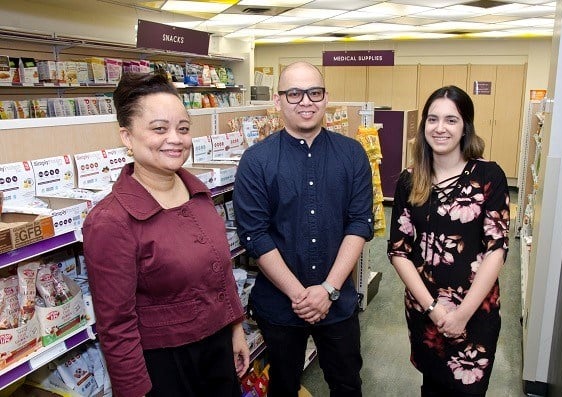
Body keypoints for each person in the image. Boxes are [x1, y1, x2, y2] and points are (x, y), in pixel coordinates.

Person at [82, 72, 249, 397]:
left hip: (217, 352)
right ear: (127, 137)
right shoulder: (110, 220)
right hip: (164, 367)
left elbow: (220, 270)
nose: (175, 138)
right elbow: (116, 325)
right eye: (159, 129)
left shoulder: (199, 195)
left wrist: (236, 328)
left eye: (183, 128)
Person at [233, 61, 374, 397]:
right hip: (281, 306)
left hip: (337, 301)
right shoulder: (256, 161)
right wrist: (301, 295)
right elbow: (255, 234)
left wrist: (327, 289)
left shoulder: (352, 154)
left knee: (347, 383)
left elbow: (359, 224)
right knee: (283, 385)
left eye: (314, 92)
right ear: (278, 101)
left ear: (326, 99)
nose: (306, 101)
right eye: (294, 93)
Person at [387, 85, 510, 397]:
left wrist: (461, 314)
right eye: (432, 119)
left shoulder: (489, 176)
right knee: (432, 386)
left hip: (474, 314)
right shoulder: (409, 179)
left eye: (451, 120)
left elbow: (497, 248)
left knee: (467, 390)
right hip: (425, 312)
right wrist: (434, 310)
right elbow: (398, 250)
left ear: (465, 126)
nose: (440, 128)